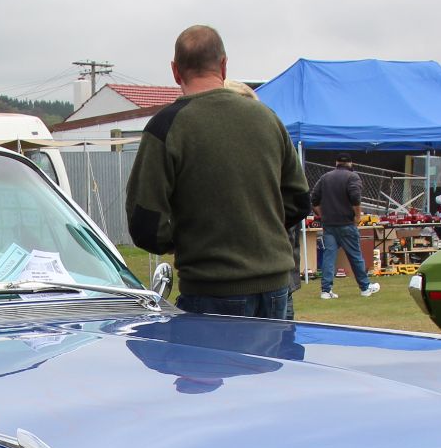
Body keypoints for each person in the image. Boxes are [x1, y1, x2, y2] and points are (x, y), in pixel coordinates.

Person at [127, 25, 310, 320]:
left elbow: (146, 226)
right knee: (274, 366)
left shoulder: (166, 127)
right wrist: (257, 228)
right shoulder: (267, 118)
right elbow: (299, 201)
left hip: (211, 288)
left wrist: (193, 238)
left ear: (176, 71)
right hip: (276, 286)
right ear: (223, 65)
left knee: (214, 368)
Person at [311, 155, 377, 298]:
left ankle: (325, 290)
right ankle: (365, 287)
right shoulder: (353, 177)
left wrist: (322, 215)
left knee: (329, 256)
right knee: (355, 256)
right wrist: (357, 216)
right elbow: (355, 197)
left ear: (336, 163)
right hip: (346, 223)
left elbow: (314, 199)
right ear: (350, 163)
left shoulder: (325, 178)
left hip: (329, 224)